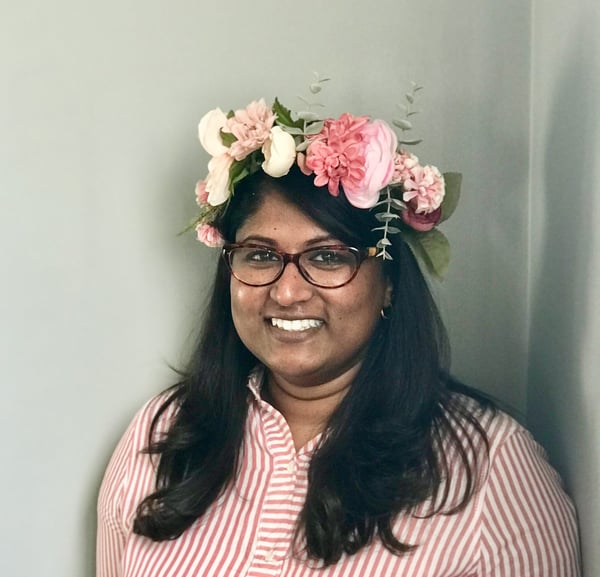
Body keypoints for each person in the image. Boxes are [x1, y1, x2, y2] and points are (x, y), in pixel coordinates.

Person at [97, 91, 581, 576]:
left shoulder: (492, 466)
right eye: (261, 255)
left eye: (328, 257)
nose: (287, 293)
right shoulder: (161, 433)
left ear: (388, 283)